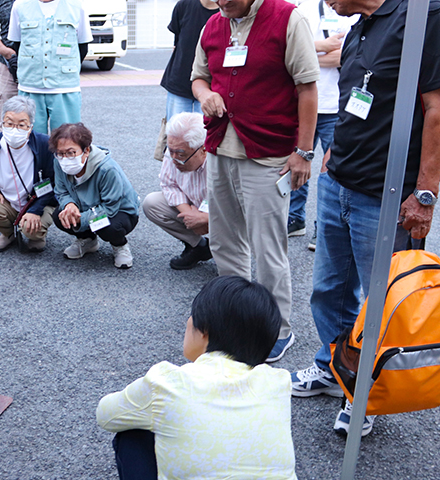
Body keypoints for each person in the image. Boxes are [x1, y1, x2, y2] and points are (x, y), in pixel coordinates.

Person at [291, 0, 440, 437]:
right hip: (339, 180)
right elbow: (355, 98)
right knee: (328, 289)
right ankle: (333, 367)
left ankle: (364, 392)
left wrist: (425, 193)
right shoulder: (360, 26)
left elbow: (439, 107)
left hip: (387, 195)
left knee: (380, 302)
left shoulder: (424, 16)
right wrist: (332, 151)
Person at [191, 0, 320, 362]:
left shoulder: (286, 18)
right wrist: (205, 94)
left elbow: (308, 88)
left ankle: (277, 328)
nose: (221, 3)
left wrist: (304, 152)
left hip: (268, 153)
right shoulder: (213, 24)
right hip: (219, 149)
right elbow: (198, 77)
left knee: (268, 249)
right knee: (225, 241)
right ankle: (235, 322)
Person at [96, 276, 297, 480]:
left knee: (132, 432)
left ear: (205, 330)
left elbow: (106, 415)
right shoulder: (278, 383)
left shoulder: (168, 383)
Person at [288, 0, 357, 248]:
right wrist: (322, 48)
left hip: (337, 105)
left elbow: (349, 57)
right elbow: (288, 51)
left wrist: (308, 54)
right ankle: (294, 219)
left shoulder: (353, 10)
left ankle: (325, 229)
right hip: (305, 104)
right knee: (295, 162)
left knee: (333, 172)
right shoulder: (304, 8)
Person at [0, 96, 58, 252]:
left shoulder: (45, 145)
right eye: (9, 123)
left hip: (38, 201)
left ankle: (36, 235)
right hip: (8, 201)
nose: (14, 129)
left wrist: (35, 210)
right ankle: (8, 234)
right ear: (1, 123)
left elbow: (53, 182)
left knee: (31, 228)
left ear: (30, 127)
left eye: (21, 125)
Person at [51, 123, 140, 269]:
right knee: (60, 216)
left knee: (108, 227)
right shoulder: (58, 162)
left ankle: (120, 245)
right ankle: (87, 240)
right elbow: (61, 191)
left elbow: (110, 207)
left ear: (86, 150)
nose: (65, 158)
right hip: (86, 208)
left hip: (118, 211)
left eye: (71, 152)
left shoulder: (107, 169)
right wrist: (69, 205)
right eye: (60, 153)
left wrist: (81, 219)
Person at [7, 0, 92, 134]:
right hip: (30, 85)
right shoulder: (20, 5)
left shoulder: (77, 5)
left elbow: (83, 47)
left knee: (68, 140)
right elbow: (17, 44)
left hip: (65, 87)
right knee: (31, 141)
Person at [143, 112, 213, 270]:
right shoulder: (174, 149)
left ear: (203, 149)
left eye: (181, 154)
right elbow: (168, 184)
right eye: (171, 151)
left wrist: (205, 218)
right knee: (152, 203)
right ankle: (199, 246)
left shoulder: (219, 159)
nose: (173, 159)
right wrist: (190, 216)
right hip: (193, 206)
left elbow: (232, 201)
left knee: (228, 275)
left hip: (220, 212)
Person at [161, 0, 219, 121]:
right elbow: (178, 39)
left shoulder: (229, 12)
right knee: (175, 131)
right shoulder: (184, 5)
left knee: (205, 134)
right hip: (180, 81)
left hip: (210, 88)